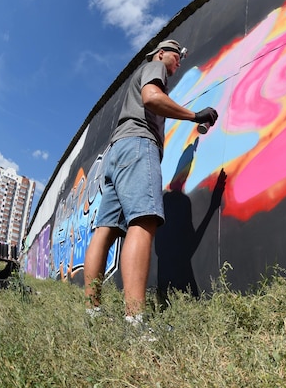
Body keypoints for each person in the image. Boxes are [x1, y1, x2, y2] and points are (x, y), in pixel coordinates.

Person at [83, 39, 218, 323]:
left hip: (116, 152)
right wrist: (195, 116)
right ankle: (135, 320)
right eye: (177, 54)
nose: (179, 61)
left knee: (105, 231)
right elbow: (152, 98)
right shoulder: (154, 67)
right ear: (160, 53)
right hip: (138, 146)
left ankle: (92, 312)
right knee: (143, 221)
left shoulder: (146, 72)